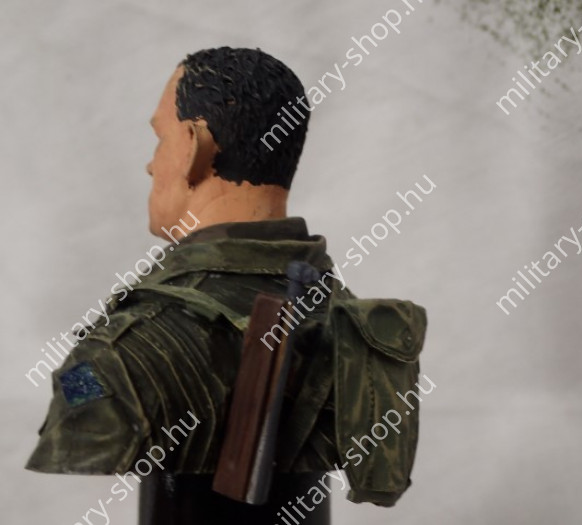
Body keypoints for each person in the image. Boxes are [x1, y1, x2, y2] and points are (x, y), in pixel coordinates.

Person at [26, 47, 427, 524]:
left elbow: (81, 410)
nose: (151, 165)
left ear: (193, 146)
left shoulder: (121, 349)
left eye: (160, 139)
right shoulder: (360, 329)